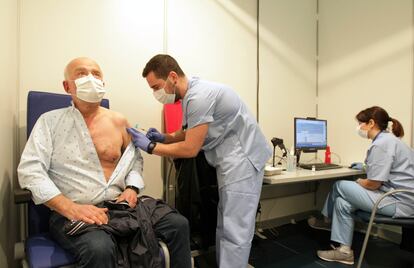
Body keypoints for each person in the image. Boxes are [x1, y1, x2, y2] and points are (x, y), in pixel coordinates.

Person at [18, 57, 192, 268]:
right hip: (74, 210)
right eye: (82, 74)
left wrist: (131, 188)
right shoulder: (49, 122)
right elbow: (31, 170)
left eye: (96, 74)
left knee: (178, 224)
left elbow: (134, 160)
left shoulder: (119, 121)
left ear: (103, 83)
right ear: (67, 86)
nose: (91, 78)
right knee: (99, 247)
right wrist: (70, 207)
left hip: (121, 207)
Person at [127, 54, 272, 268]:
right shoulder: (190, 96)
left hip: (243, 159)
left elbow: (190, 148)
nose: (155, 93)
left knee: (237, 227)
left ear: (172, 76)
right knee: (225, 222)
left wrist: (150, 147)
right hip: (230, 162)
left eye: (156, 87)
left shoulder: (199, 97)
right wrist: (164, 137)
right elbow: (189, 132)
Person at [308, 106, 414, 265]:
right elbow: (388, 169)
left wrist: (359, 181)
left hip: (399, 202)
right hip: (398, 197)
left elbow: (373, 183)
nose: (359, 128)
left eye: (360, 123)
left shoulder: (381, 144)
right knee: (342, 202)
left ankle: (326, 221)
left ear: (371, 123)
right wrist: (365, 167)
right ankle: (344, 252)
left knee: (339, 185)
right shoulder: (390, 140)